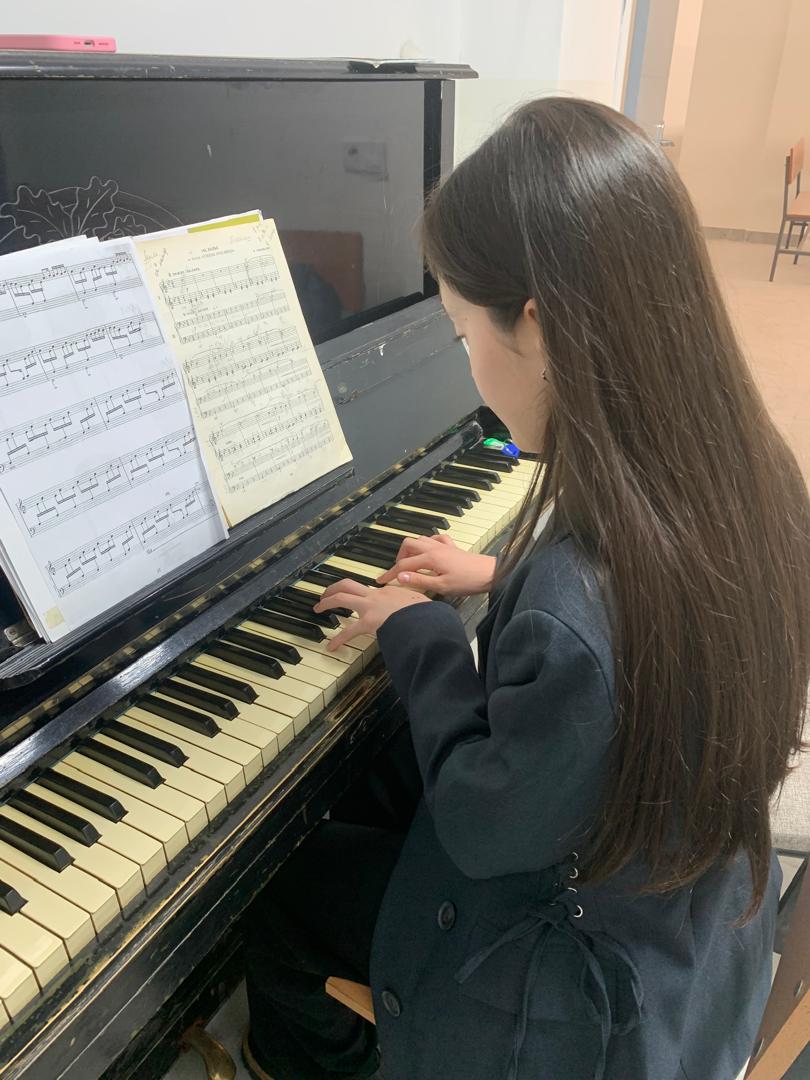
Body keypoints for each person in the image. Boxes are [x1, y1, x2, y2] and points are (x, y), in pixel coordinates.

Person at [240, 97, 810, 1080]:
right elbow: (649, 609)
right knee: (380, 779)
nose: (465, 367)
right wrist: (500, 574)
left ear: (539, 328)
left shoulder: (574, 606)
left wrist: (423, 632)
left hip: (583, 1001)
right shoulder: (757, 475)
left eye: (461, 333)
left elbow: (482, 824)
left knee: (285, 890)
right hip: (690, 911)